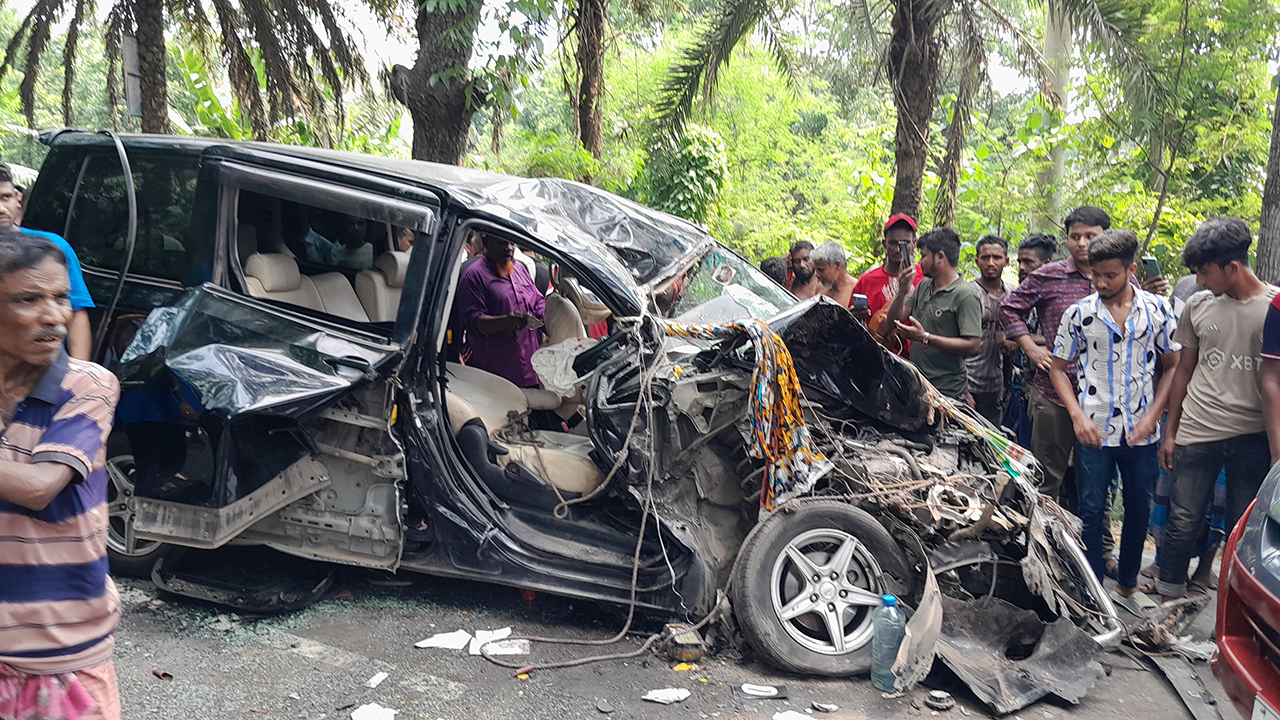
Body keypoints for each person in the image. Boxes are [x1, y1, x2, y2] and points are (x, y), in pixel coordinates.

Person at [0, 231, 121, 719]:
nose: (54, 316)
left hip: (62, 654)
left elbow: (40, 487)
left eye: (61, 297)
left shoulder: (87, 385)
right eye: (28, 299)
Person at [1048, 229, 1180, 601]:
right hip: (1094, 431)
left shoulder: (1158, 310)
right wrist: (1077, 415)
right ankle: (1093, 591)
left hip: (1142, 432)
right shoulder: (1079, 314)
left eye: (1110, 275)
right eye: (1096, 275)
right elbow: (1058, 369)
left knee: (1139, 509)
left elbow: (1173, 366)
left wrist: (1155, 415)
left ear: (1131, 270)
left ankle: (1126, 583)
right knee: (1091, 511)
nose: (1102, 283)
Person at [1158, 217, 1279, 600]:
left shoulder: (1274, 308)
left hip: (1252, 436)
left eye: (1205, 271)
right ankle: (1168, 599)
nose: (1199, 280)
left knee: (1243, 529)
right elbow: (1183, 370)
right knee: (1183, 520)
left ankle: (1231, 606)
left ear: (1233, 267)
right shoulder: (1197, 305)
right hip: (1197, 430)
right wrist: (1170, 431)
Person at [1000, 207, 1112, 507]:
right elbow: (1009, 309)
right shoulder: (1048, 275)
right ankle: (1041, 532)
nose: (1082, 243)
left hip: (1103, 397)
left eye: (1090, 236)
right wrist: (1030, 347)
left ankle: (1094, 538)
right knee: (1046, 477)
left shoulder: (1119, 276)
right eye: (1075, 236)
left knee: (1096, 482)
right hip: (1053, 395)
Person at [0, 163, 94, 360]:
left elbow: (76, 313)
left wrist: (78, 369)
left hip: (46, 366)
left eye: (5, 197)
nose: (1, 209)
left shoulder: (52, 246)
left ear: (17, 197)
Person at [884, 227, 982, 401]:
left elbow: (973, 346)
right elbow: (894, 321)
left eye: (924, 256)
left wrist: (925, 337)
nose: (920, 262)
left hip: (947, 392)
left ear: (940, 257)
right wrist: (902, 290)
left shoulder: (964, 295)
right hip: (919, 386)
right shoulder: (924, 285)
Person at [455, 234, 546, 388]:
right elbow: (474, 322)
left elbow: (537, 300)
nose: (508, 248)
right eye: (502, 242)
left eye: (512, 243)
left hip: (531, 369)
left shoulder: (519, 269)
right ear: (486, 243)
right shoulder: (474, 276)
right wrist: (506, 322)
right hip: (497, 374)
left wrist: (549, 321)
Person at [852, 213, 924, 356]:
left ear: (914, 243)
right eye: (893, 243)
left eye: (904, 243)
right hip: (879, 357)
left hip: (918, 358)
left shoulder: (925, 276)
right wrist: (855, 316)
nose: (898, 249)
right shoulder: (867, 281)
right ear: (884, 244)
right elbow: (855, 328)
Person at [965, 235, 1014, 424]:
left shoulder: (1014, 295)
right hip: (969, 380)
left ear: (1006, 261)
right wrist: (962, 389)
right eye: (985, 258)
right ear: (977, 261)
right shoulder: (967, 293)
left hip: (996, 384)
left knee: (993, 435)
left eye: (997, 257)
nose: (991, 263)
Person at [305, 212, 373, 269]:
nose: (356, 228)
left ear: (366, 226)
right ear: (343, 227)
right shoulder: (334, 253)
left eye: (360, 223)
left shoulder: (373, 253)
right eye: (350, 224)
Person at [811, 241, 856, 307]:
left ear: (837, 265)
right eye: (815, 270)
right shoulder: (820, 288)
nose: (816, 274)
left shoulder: (856, 289)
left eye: (821, 270)